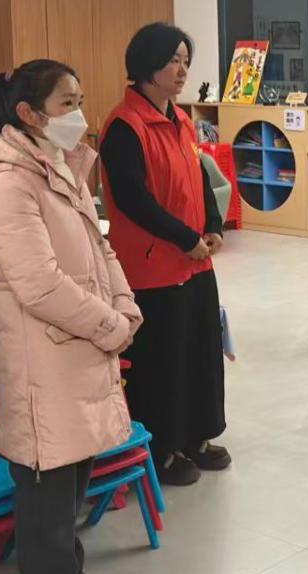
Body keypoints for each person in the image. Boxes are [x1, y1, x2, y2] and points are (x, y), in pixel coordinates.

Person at [0, 59, 136, 574]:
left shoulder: (59, 164)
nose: (79, 114)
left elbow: (100, 248)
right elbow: (38, 285)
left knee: (72, 479)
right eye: (66, 104)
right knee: (46, 494)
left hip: (78, 350)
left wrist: (124, 306)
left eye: (79, 101)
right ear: (28, 114)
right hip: (42, 362)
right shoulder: (5, 181)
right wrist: (110, 326)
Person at [99, 23, 229, 487]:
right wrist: (184, 238)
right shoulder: (124, 126)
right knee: (163, 362)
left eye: (185, 61)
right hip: (153, 268)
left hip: (194, 261)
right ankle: (162, 446)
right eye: (173, 60)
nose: (182, 69)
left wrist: (212, 227)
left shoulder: (180, 119)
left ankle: (196, 435)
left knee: (201, 352)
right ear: (146, 64)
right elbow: (133, 200)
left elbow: (200, 177)